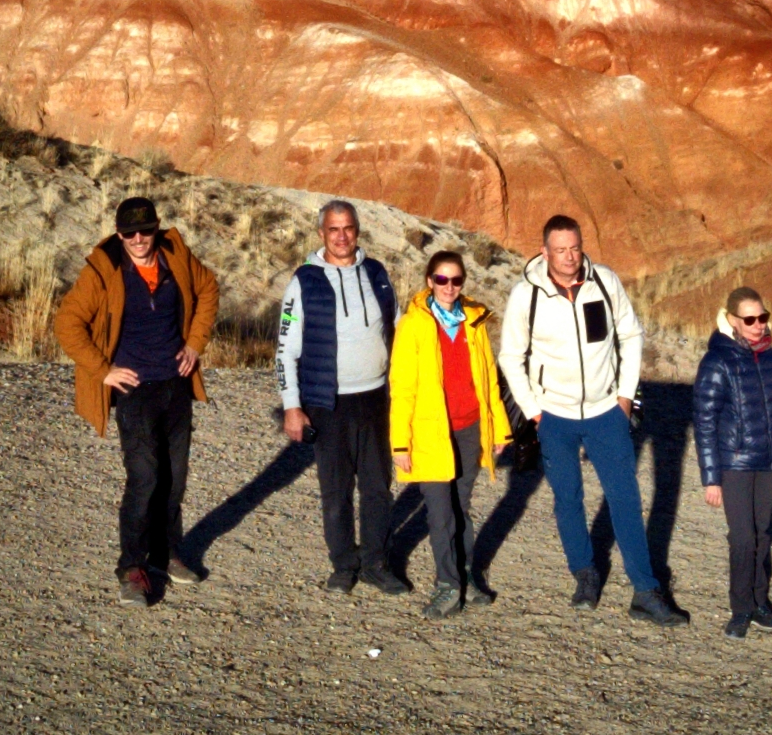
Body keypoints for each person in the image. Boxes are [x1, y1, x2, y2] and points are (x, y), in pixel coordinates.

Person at [497, 214, 687, 627]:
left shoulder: (604, 282)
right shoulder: (526, 295)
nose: (570, 258)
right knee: (568, 499)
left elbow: (631, 336)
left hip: (606, 411)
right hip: (555, 415)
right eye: (561, 250)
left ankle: (645, 589)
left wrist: (625, 396)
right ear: (545, 252)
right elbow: (511, 357)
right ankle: (584, 573)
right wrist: (533, 408)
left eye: (576, 248)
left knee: (625, 499)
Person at [53, 195, 218, 605]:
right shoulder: (104, 267)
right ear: (119, 232)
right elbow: (67, 323)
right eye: (129, 232)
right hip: (134, 390)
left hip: (175, 383)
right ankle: (132, 566)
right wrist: (102, 369)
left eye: (146, 230)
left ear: (157, 228)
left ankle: (165, 554)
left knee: (174, 478)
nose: (139, 239)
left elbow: (208, 288)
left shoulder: (174, 253)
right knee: (144, 478)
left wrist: (195, 343)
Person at [275, 199, 406, 595]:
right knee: (335, 490)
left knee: (378, 486)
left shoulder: (377, 274)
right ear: (321, 234)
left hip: (376, 398)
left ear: (357, 230)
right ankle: (343, 565)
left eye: (348, 228)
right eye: (333, 229)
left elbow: (398, 330)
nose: (342, 236)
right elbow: (285, 349)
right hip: (327, 402)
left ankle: (376, 563)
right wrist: (292, 405)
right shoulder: (304, 281)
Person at [388, 248, 510, 617]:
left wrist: (500, 431)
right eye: (441, 279)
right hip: (429, 433)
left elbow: (489, 381)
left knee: (462, 507)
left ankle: (467, 575)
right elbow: (402, 386)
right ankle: (447, 585)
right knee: (440, 513)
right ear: (429, 281)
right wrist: (399, 442)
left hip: (470, 428)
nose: (449, 286)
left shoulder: (473, 321)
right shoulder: (414, 325)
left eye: (456, 280)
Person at [692, 286, 772, 638]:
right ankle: (740, 609)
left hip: (769, 462)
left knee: (762, 535)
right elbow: (704, 421)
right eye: (750, 319)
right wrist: (711, 477)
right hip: (735, 464)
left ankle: (759, 602)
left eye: (762, 317)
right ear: (733, 321)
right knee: (742, 538)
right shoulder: (717, 361)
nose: (758, 325)